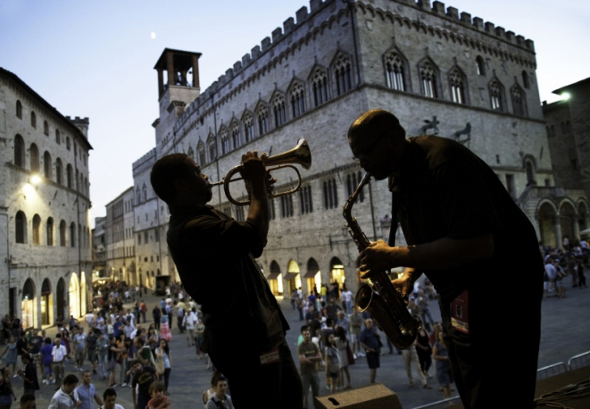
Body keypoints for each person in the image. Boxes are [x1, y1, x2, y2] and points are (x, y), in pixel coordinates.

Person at [348, 109, 543, 408]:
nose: (362, 163)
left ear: (392, 139)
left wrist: (393, 256)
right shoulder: (400, 175)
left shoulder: (443, 163)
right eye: (356, 156)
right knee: (469, 378)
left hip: (501, 290)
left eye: (365, 152)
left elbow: (478, 245)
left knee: (497, 387)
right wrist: (409, 276)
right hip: (460, 291)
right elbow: (426, 240)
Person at [150, 152, 302, 409]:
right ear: (182, 184)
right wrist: (256, 186)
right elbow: (254, 238)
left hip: (261, 334)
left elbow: (245, 238)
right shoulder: (191, 229)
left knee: (291, 396)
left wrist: (258, 191)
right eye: (198, 171)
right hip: (246, 343)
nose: (206, 176)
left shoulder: (199, 216)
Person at [297, 326, 321, 409]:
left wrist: (310, 358)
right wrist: (314, 360)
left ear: (310, 334)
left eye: (308, 334)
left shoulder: (313, 345)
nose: (307, 335)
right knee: (305, 394)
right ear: (302, 335)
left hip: (314, 372)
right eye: (305, 334)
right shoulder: (301, 347)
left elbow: (320, 356)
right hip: (305, 374)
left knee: (316, 393)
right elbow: (303, 360)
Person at [433, 331, 453, 402]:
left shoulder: (447, 344)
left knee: (447, 383)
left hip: (448, 366)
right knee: (446, 384)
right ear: (438, 337)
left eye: (443, 335)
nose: (442, 337)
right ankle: (449, 400)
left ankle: (446, 397)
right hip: (441, 367)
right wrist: (444, 358)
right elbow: (434, 356)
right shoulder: (436, 345)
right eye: (440, 336)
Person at [359, 318, 381, 384]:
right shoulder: (364, 332)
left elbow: (377, 339)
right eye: (369, 322)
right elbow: (362, 343)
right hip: (370, 351)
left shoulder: (374, 330)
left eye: (371, 322)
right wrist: (368, 349)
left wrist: (378, 336)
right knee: (372, 367)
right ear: (366, 324)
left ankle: (373, 380)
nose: (370, 324)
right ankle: (371, 382)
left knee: (375, 367)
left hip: (376, 350)